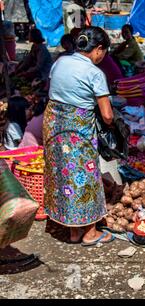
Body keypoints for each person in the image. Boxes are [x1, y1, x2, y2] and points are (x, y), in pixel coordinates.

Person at [44, 27, 115, 245]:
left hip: (54, 126)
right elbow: (107, 115)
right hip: (77, 129)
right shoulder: (94, 73)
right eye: (104, 52)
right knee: (85, 176)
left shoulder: (60, 62)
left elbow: (53, 90)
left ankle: (73, 232)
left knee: (62, 174)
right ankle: (90, 232)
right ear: (99, 49)